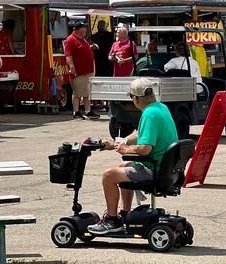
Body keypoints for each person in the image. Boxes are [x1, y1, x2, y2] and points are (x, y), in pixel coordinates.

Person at [88, 78, 179, 234]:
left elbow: (145, 148)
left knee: (108, 175)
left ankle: (111, 220)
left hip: (154, 170)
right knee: (123, 167)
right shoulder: (161, 108)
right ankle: (124, 213)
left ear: (136, 99)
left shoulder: (149, 114)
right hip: (168, 169)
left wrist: (125, 150)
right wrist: (118, 142)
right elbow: (139, 134)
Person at [64, 21, 99, 119]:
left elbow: (83, 50)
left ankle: (88, 111)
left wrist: (91, 47)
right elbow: (68, 56)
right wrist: (72, 68)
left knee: (87, 93)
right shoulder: (70, 40)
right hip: (79, 72)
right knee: (78, 93)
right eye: (84, 29)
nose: (86, 31)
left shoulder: (82, 39)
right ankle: (76, 112)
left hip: (87, 71)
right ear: (79, 30)